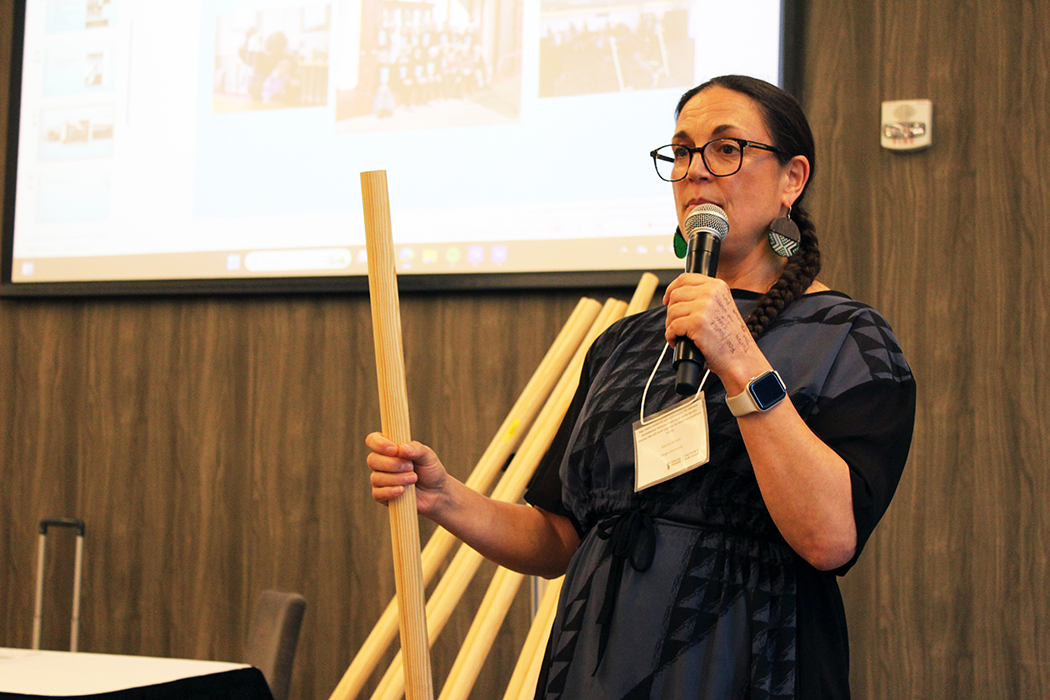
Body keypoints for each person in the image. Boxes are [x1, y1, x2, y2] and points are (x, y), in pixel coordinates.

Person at [366, 74, 916, 699]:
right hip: (595, 666)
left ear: (792, 178)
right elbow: (560, 537)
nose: (696, 171)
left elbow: (828, 537)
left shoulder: (849, 338)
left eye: (726, 148)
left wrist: (737, 355)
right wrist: (445, 498)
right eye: (681, 152)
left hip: (747, 662)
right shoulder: (624, 344)